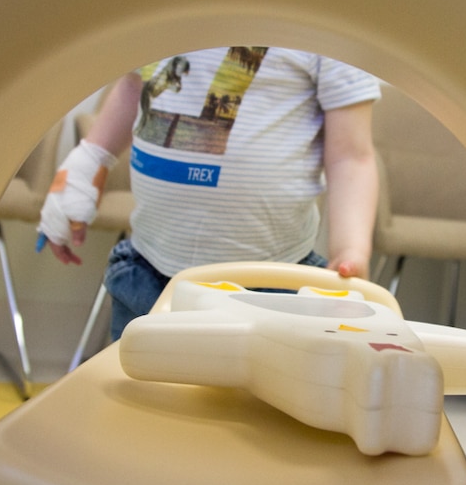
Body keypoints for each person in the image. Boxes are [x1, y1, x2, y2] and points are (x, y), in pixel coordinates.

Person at [38, 47, 381, 341]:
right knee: (144, 409)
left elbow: (351, 155)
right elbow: (133, 84)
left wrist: (350, 250)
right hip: (148, 273)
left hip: (272, 285)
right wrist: (85, 166)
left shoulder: (321, 17)